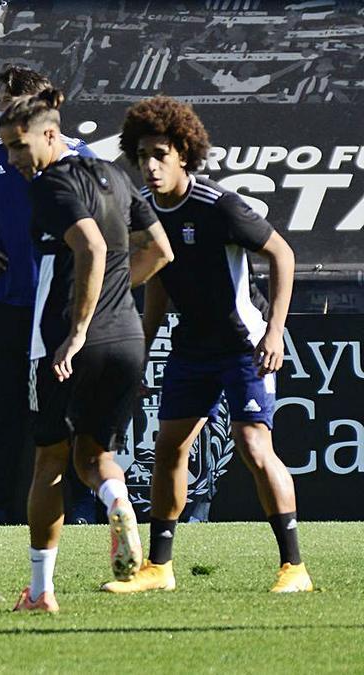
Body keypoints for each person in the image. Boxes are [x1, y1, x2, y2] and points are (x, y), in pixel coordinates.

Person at [103, 96, 312, 594]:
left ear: (184, 153)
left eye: (161, 154)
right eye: (142, 155)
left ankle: (294, 567)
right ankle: (159, 568)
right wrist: (142, 347)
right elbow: (157, 280)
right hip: (191, 347)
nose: (150, 166)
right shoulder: (146, 211)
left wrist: (275, 332)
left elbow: (282, 254)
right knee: (169, 448)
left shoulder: (218, 205)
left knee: (253, 446)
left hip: (244, 344)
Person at [0, 90, 174, 612]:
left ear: (50, 135)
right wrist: (113, 302)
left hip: (64, 344)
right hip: (126, 338)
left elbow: (92, 245)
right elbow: (160, 251)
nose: (13, 160)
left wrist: (76, 329)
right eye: (6, 148)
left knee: (49, 463)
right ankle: (118, 501)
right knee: (94, 456)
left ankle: (41, 591)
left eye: (18, 146)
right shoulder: (118, 176)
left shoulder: (52, 184)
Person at [0, 65, 98, 526]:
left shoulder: (82, 158)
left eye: (5, 101)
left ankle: (84, 502)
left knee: (70, 407)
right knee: (3, 406)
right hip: (5, 303)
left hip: (59, 305)